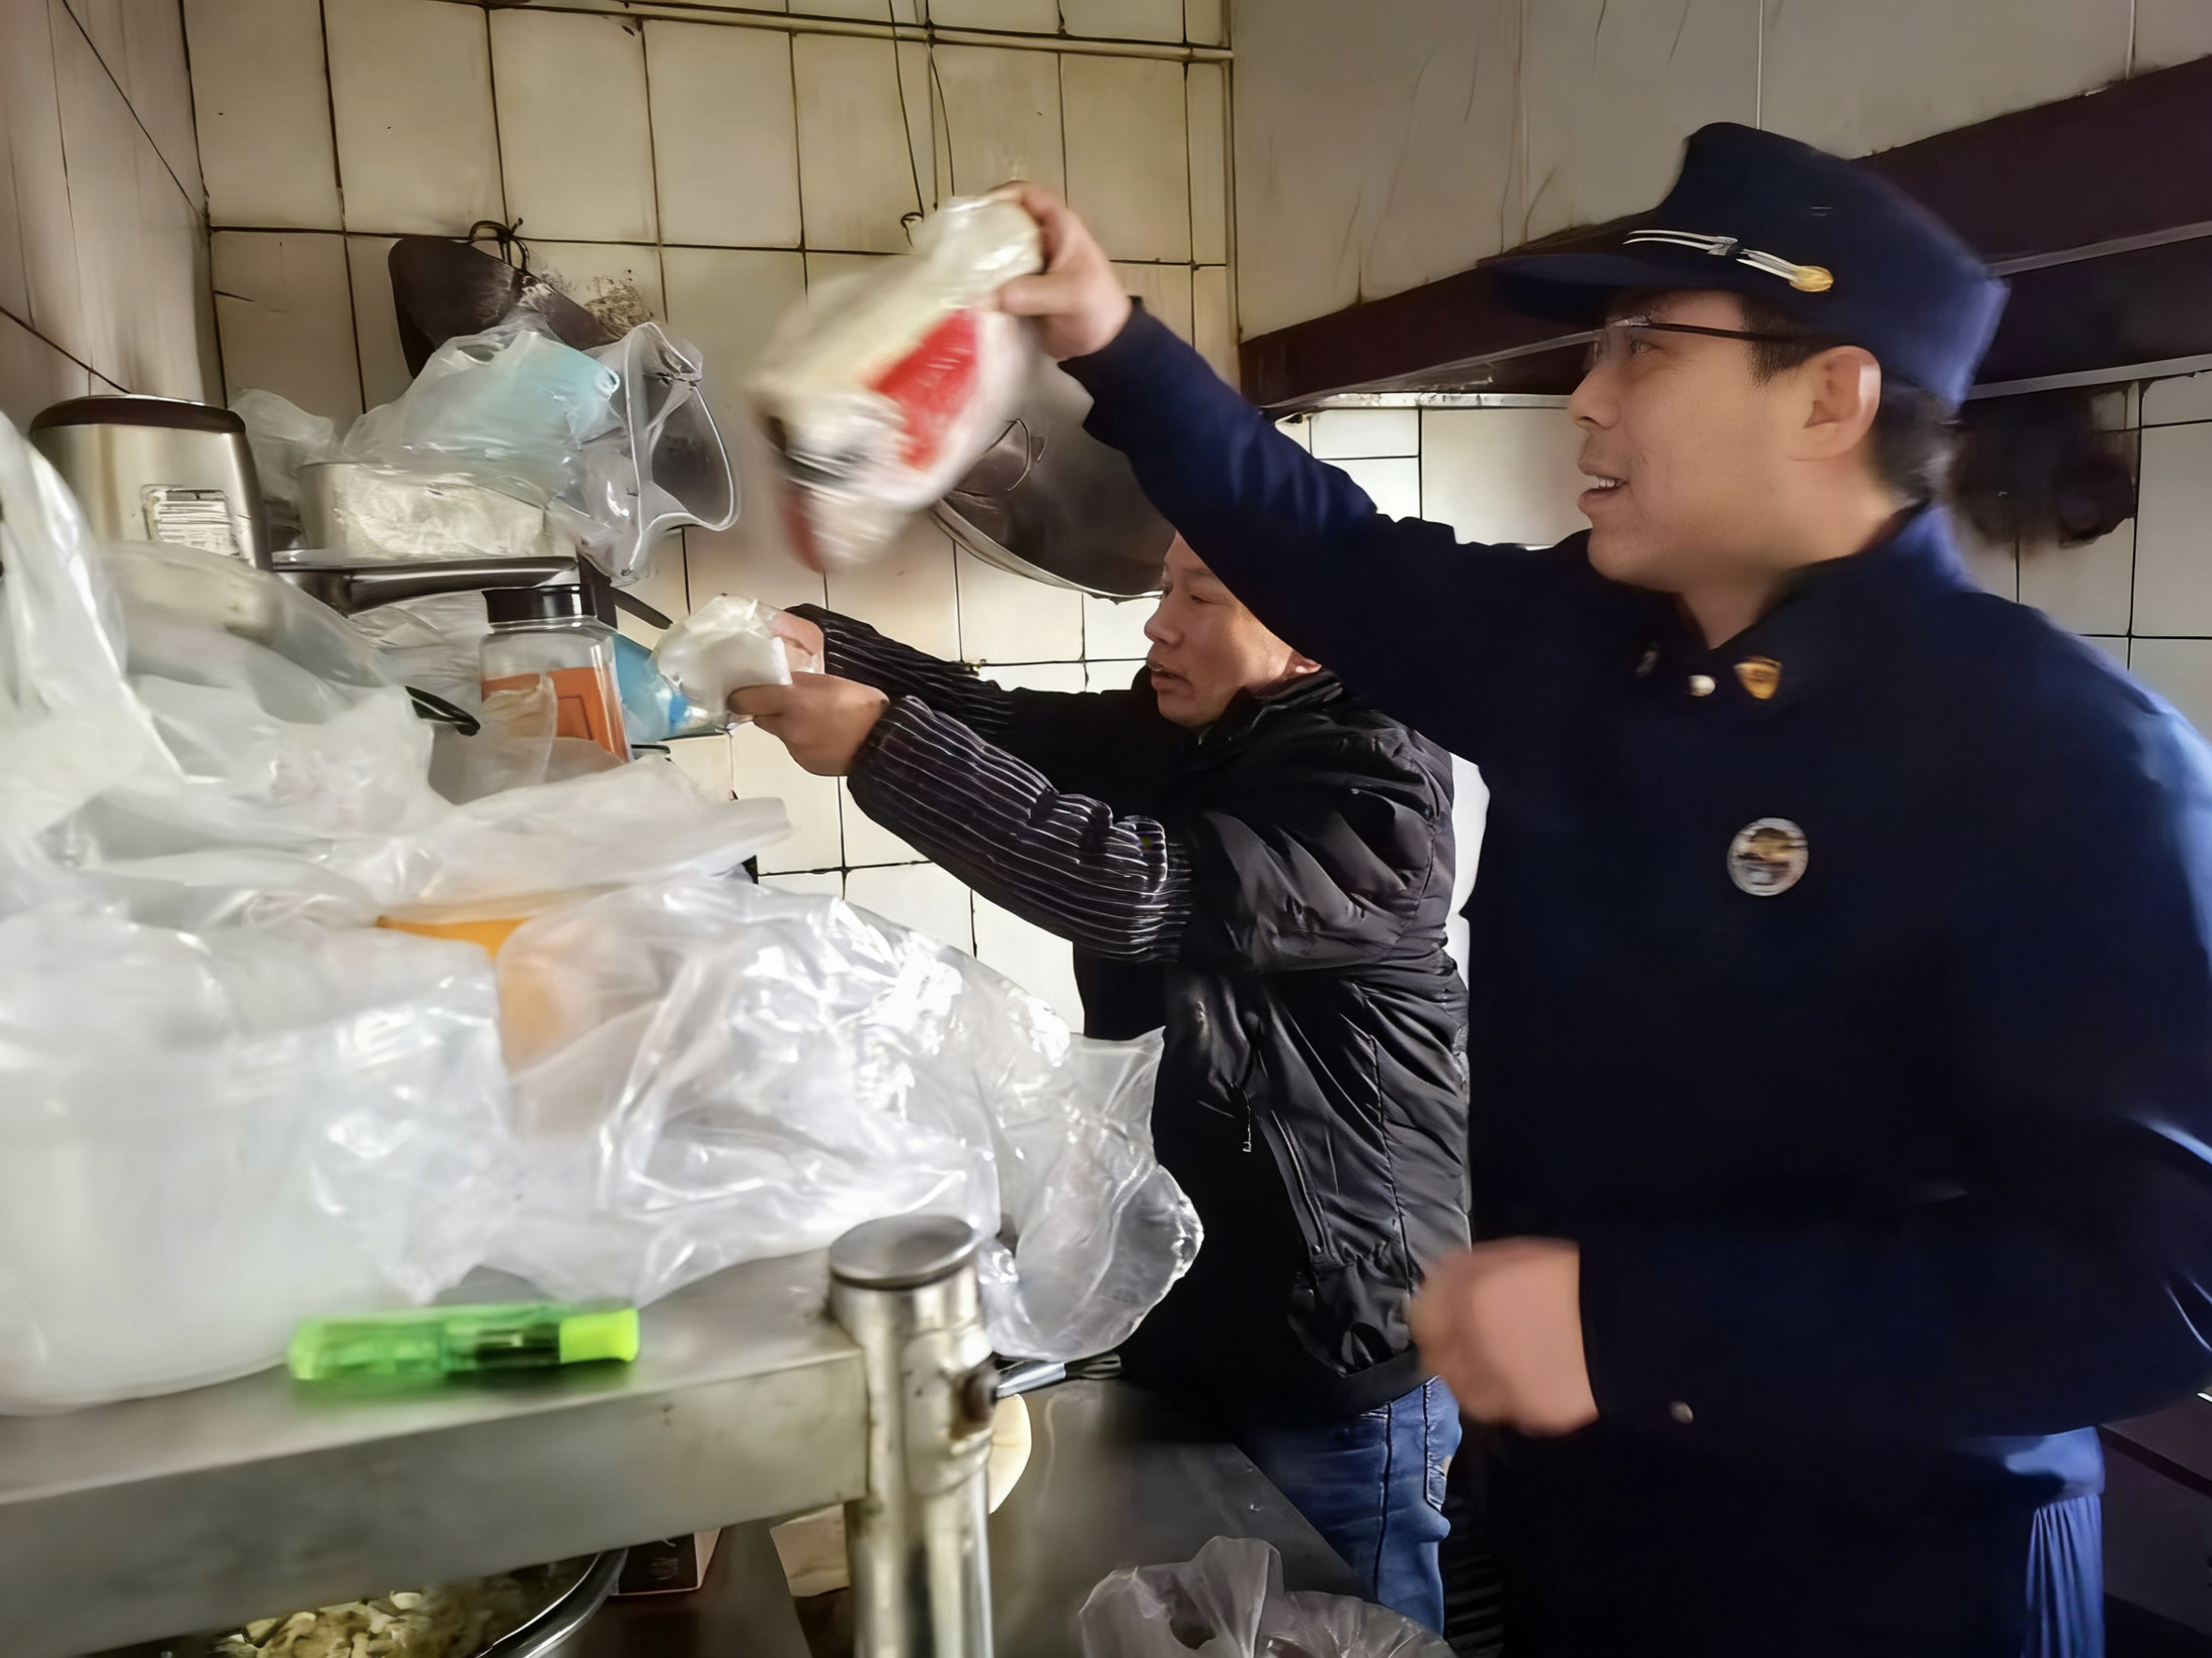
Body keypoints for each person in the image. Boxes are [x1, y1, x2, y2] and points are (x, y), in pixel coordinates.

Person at [983, 124, 2212, 1657]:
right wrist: (1110, 339)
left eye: (1647, 347)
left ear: (1829, 396)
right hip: (1599, 1534)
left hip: (1895, 1581)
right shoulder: (1596, 649)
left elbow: (2157, 1287)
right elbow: (1328, 551)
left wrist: (1635, 1331)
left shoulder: (2058, 757)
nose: (1588, 393)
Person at [735, 537, 1472, 1629]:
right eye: (1165, 589)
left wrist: (882, 746)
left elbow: (1137, 887)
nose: (1158, 623)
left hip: (1338, 1327)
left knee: (1353, 1633)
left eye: (1202, 596)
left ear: (1311, 636)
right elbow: (1010, 727)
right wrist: (829, 647)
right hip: (1205, 1300)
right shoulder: (1199, 727)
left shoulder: (1374, 791)